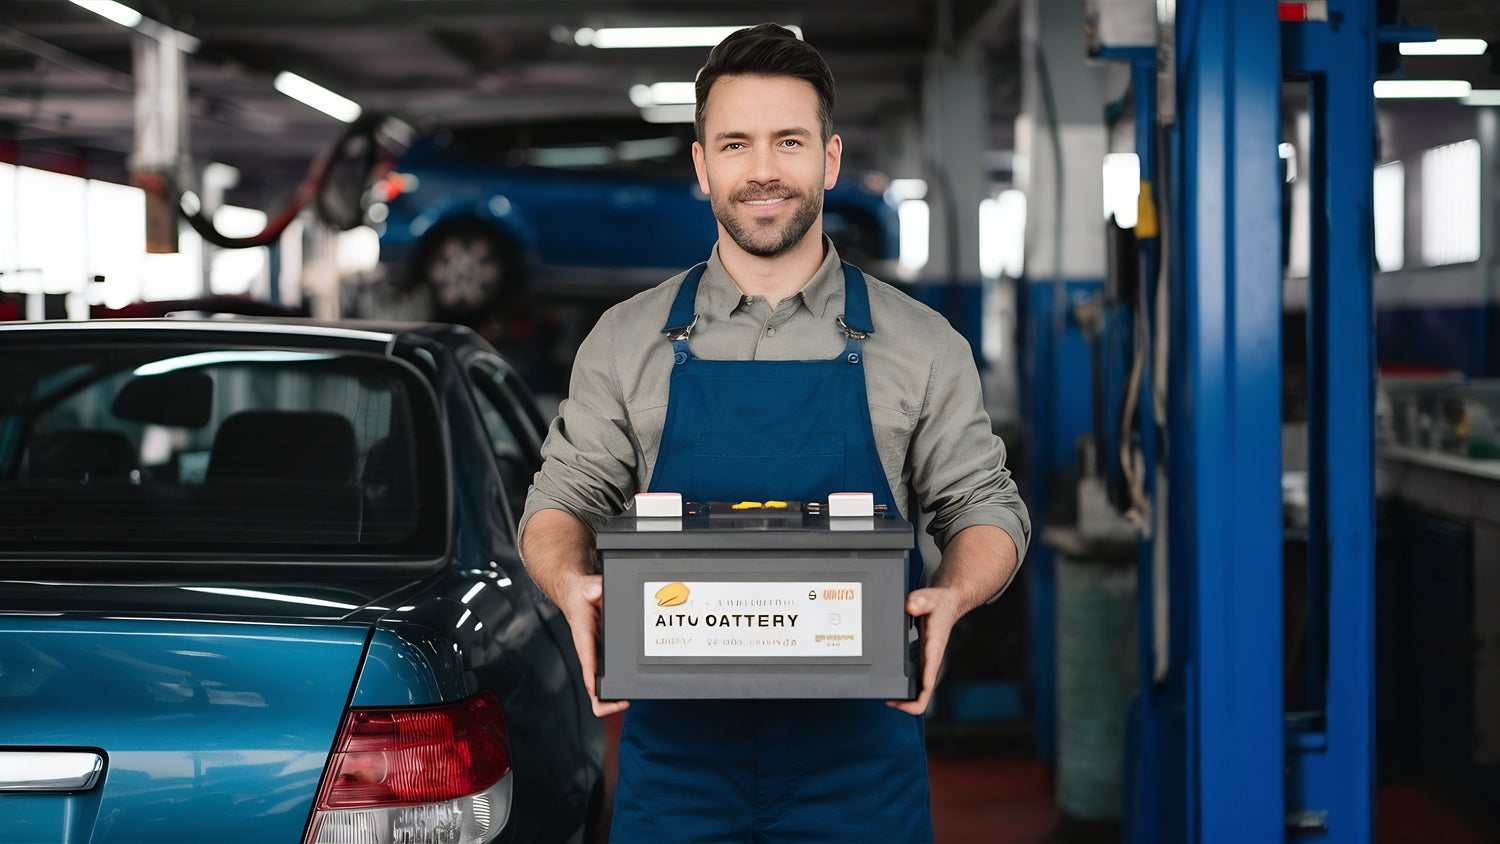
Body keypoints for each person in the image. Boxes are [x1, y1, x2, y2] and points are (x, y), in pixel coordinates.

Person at [520, 23, 1030, 843]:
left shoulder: (923, 344)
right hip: (678, 774)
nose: (763, 170)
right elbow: (561, 500)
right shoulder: (624, 340)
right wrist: (569, 579)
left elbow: (985, 506)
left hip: (860, 773)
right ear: (703, 167)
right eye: (736, 144)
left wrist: (956, 592)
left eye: (788, 141)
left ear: (829, 159)